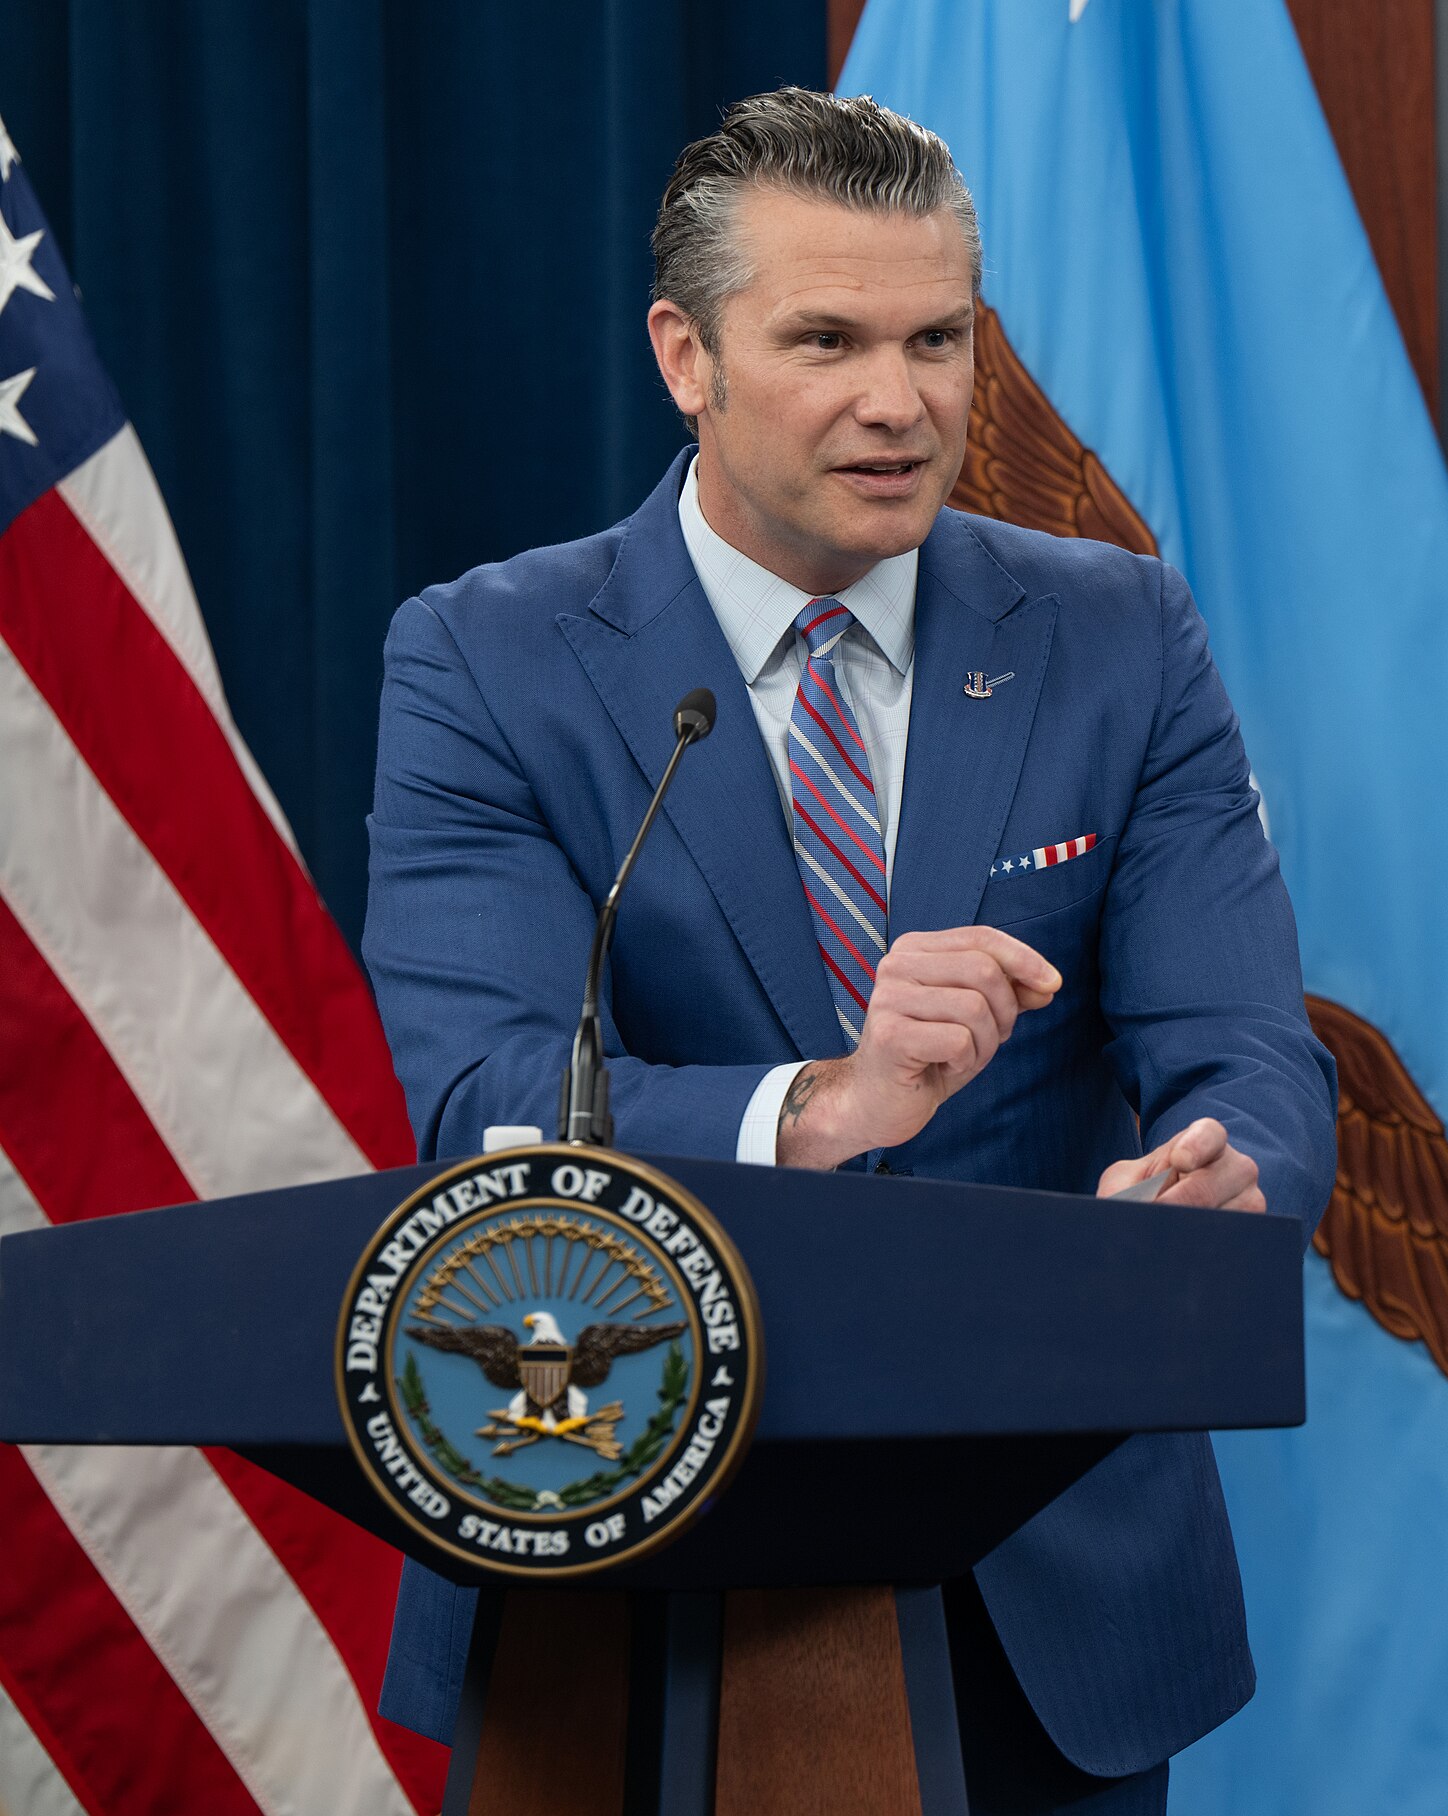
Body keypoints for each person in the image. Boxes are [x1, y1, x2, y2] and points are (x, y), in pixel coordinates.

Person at [364, 87, 1337, 1816]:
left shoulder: (1120, 635)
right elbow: (486, 1104)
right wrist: (824, 1102)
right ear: (688, 354)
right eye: (826, 339)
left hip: (1039, 1574)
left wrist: (1230, 1168)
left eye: (939, 339)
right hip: (620, 1526)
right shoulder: (485, 659)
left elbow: (1244, 1043)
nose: (902, 402)